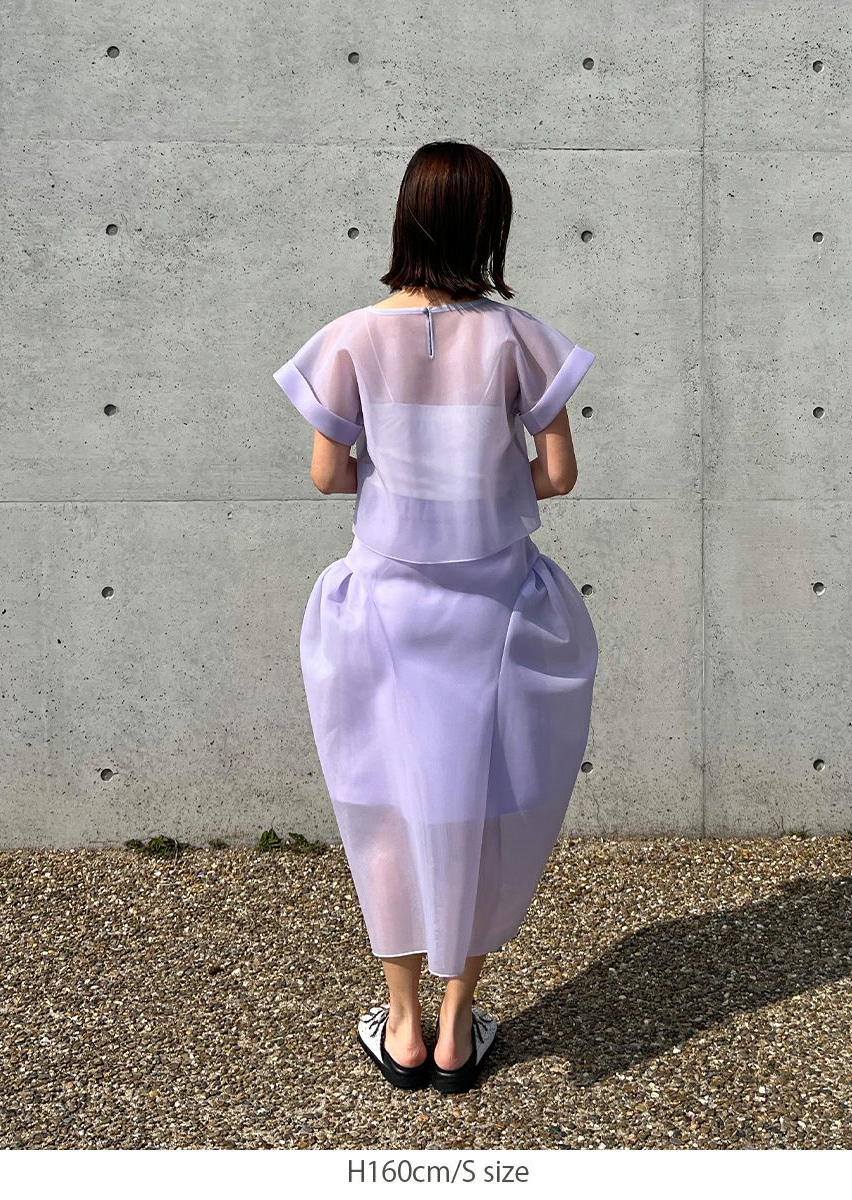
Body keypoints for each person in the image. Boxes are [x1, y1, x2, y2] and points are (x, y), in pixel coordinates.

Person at [272, 141, 599, 1093]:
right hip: (496, 609)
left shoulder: (349, 337)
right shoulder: (519, 336)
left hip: (384, 607)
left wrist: (399, 478)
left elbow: (329, 474)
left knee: (384, 803)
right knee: (481, 806)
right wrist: (485, 481)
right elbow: (559, 475)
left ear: (405, 220)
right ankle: (459, 1029)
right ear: (489, 227)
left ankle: (404, 1026)